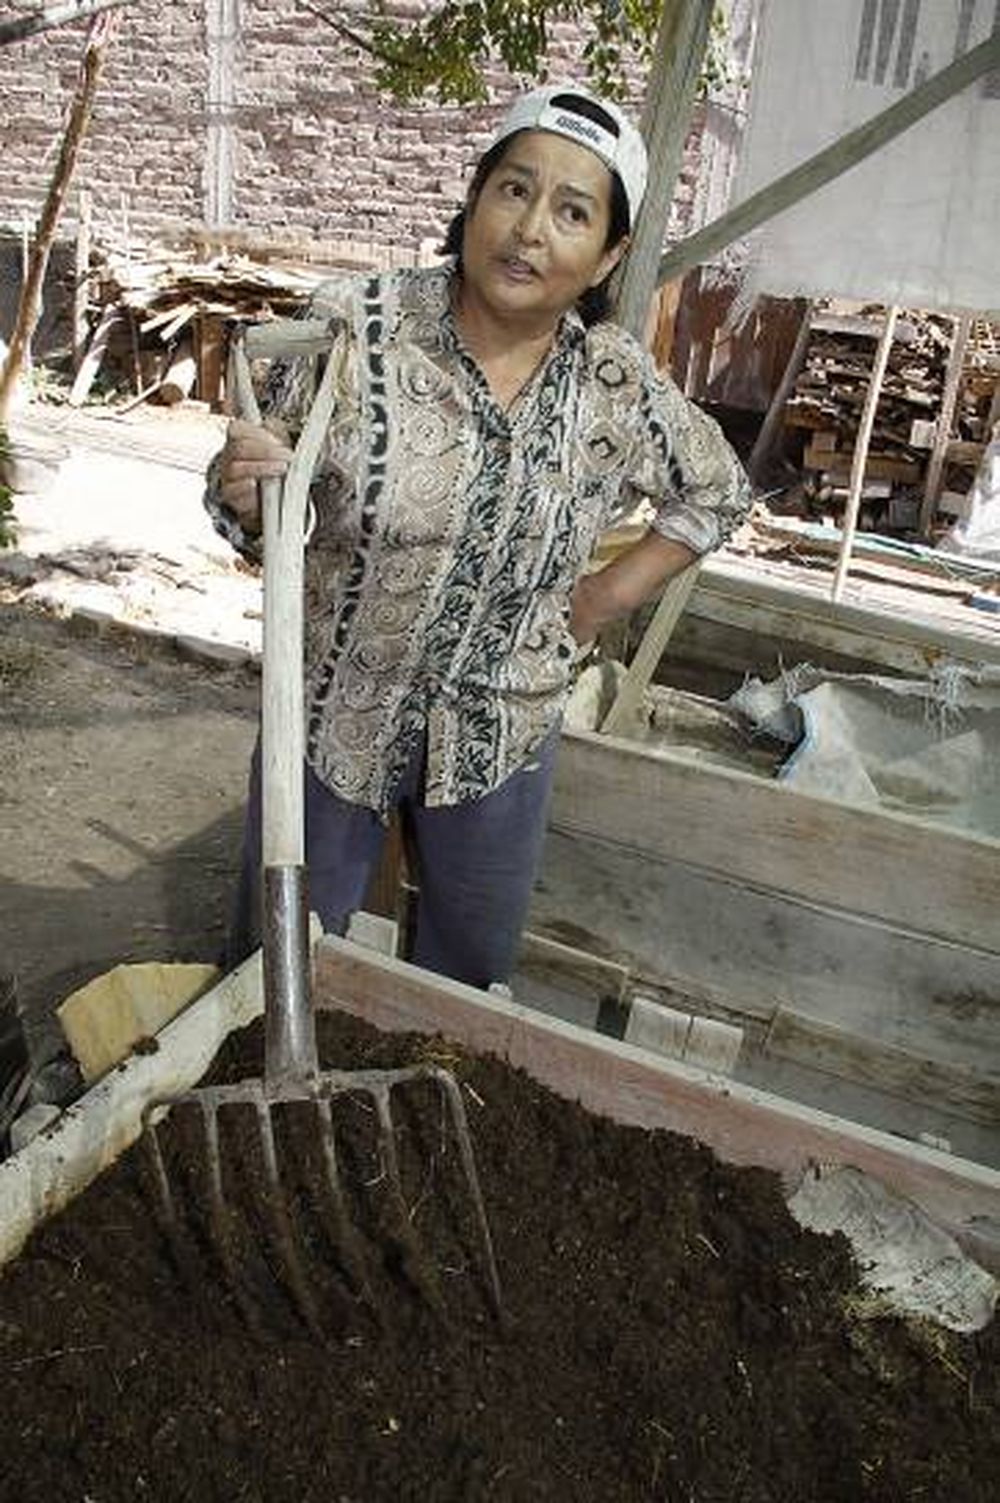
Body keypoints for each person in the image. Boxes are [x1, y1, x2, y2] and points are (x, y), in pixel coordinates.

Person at [207, 84, 751, 988]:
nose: (531, 229)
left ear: (609, 252)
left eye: (572, 211)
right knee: (272, 973)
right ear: (474, 197)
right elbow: (257, 519)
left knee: (466, 988)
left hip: (501, 730)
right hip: (334, 713)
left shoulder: (610, 386)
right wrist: (242, 491)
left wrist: (601, 599)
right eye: (513, 189)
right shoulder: (355, 331)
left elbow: (718, 490)